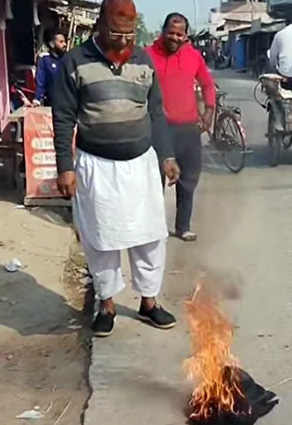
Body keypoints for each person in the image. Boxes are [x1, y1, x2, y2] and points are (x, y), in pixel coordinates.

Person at [52, 0, 181, 337]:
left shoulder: (143, 60)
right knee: (102, 239)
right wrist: (65, 167)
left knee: (151, 237)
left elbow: (156, 112)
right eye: (116, 33)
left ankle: (149, 302)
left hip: (140, 165)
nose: (124, 41)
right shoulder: (74, 62)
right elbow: (63, 117)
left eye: (129, 34)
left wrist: (166, 155)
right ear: (99, 26)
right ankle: (106, 304)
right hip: (97, 167)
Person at [146, 13, 216, 243]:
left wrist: (208, 112)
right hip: (158, 129)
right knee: (154, 181)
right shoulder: (147, 55)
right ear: (163, 31)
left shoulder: (193, 56)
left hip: (187, 129)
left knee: (188, 180)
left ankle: (183, 226)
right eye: (171, 33)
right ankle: (153, 227)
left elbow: (207, 84)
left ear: (185, 36)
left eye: (180, 34)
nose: (175, 37)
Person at [34, 29, 67, 106]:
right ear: (52, 44)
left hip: (69, 103)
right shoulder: (44, 59)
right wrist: (37, 99)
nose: (65, 44)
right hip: (51, 104)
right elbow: (40, 82)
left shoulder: (68, 58)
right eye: (61, 42)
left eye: (64, 41)